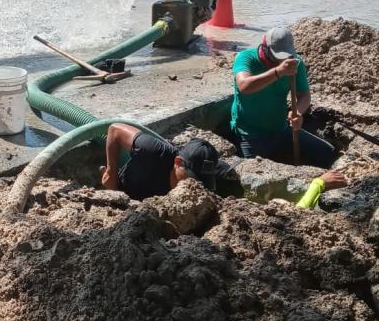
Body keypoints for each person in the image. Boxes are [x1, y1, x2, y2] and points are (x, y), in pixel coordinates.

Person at [231, 27, 336, 168]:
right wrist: (278, 72)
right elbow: (244, 86)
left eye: (284, 57)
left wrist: (297, 112)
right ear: (264, 48)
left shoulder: (294, 63)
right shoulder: (246, 58)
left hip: (281, 129)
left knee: (326, 152)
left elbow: (304, 95)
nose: (280, 61)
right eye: (276, 57)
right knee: (255, 171)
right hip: (251, 134)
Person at [100, 123, 230, 200]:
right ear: (178, 163)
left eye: (202, 183)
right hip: (123, 193)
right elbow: (114, 130)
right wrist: (111, 172)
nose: (194, 188)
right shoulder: (153, 150)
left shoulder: (204, 172)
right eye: (192, 180)